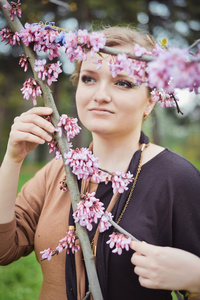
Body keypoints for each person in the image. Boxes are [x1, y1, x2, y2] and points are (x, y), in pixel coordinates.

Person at [0, 26, 200, 300]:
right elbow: (3, 250)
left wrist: (197, 278)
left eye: (123, 82)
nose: (101, 95)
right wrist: (13, 159)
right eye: (89, 79)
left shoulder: (176, 178)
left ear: (151, 101)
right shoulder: (57, 172)